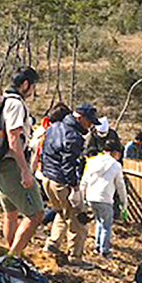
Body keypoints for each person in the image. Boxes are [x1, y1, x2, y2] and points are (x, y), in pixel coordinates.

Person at [0, 67, 44, 257]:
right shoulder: (15, 104)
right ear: (25, 84)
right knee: (36, 214)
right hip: (12, 165)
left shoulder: (1, 99)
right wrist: (25, 171)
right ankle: (13, 259)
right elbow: (14, 139)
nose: (33, 91)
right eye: (33, 86)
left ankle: (13, 254)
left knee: (11, 213)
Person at [41, 103, 100, 268]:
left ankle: (52, 245)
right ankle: (75, 258)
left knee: (61, 213)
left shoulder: (54, 127)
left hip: (48, 180)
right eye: (89, 122)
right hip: (63, 183)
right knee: (78, 220)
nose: (90, 126)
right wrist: (74, 188)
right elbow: (69, 165)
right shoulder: (73, 136)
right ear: (79, 118)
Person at [81, 140, 127, 258]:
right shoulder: (116, 165)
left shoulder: (92, 161)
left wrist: (82, 197)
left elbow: (84, 180)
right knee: (106, 225)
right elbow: (120, 185)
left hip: (91, 197)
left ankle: (97, 245)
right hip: (105, 198)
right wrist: (124, 202)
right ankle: (104, 250)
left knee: (99, 221)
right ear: (115, 152)